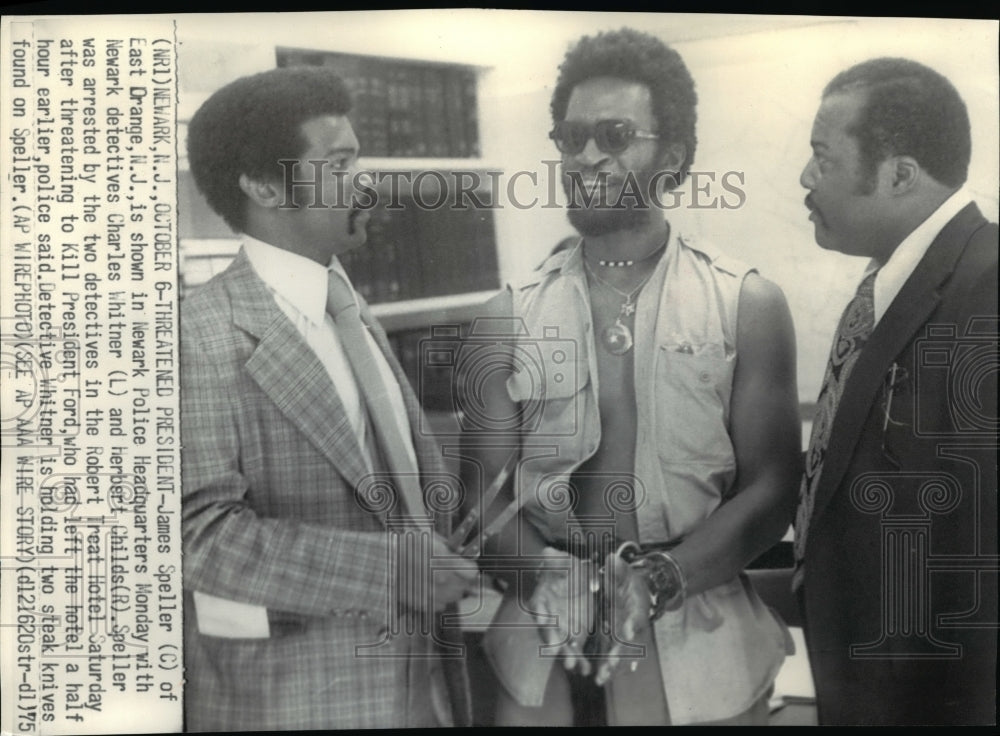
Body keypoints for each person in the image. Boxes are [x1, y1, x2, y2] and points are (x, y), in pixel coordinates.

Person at [461, 28, 801, 726]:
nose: (586, 156)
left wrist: (656, 580)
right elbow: (482, 498)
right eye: (571, 136)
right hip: (539, 650)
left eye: (613, 134)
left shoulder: (747, 305)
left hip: (703, 648)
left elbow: (773, 490)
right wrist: (550, 579)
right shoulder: (506, 316)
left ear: (671, 156)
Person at [179, 66, 479, 731]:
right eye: (338, 164)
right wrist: (390, 571)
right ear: (261, 185)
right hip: (298, 705)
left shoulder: (347, 305)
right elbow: (195, 537)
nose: (363, 183)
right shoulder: (194, 334)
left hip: (427, 683)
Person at [794, 57, 998, 725]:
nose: (805, 177)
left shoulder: (988, 287)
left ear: (900, 174)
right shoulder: (892, 287)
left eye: (823, 157)